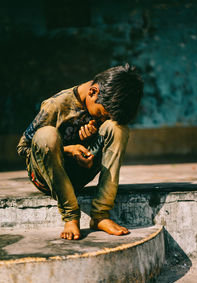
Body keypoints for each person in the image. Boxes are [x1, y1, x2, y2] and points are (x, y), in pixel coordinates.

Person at [17, 64, 143, 240]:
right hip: (48, 178)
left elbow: (104, 136)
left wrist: (90, 148)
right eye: (102, 115)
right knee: (47, 135)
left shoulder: (101, 110)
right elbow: (23, 148)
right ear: (93, 92)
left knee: (118, 129)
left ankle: (100, 214)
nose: (102, 119)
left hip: (79, 174)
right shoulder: (56, 105)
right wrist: (68, 150)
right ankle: (70, 216)